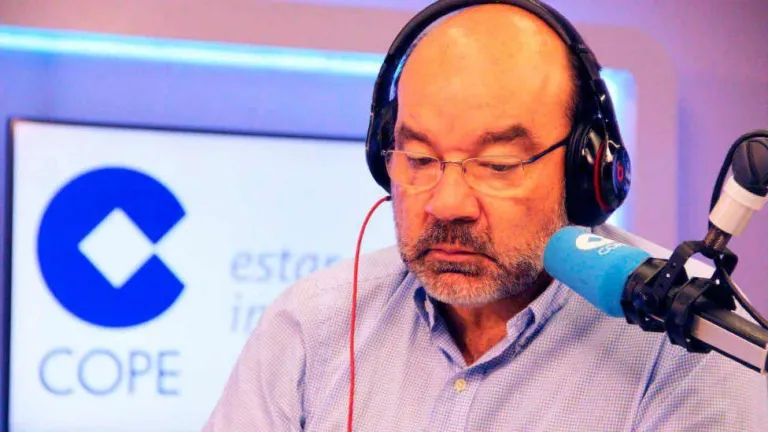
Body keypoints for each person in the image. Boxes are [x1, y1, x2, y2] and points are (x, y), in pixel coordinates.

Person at [204, 1, 768, 430]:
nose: (447, 204)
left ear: (588, 170)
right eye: (419, 159)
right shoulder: (312, 327)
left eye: (497, 165)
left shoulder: (688, 341)